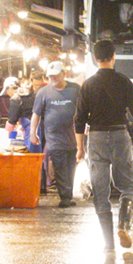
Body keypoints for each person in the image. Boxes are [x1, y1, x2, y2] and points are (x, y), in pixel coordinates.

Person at [74, 39, 133, 251]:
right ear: (114, 57)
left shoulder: (88, 85)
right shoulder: (123, 81)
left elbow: (79, 119)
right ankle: (123, 225)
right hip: (120, 135)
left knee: (100, 191)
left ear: (95, 59)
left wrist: (80, 149)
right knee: (128, 185)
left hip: (95, 137)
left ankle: (108, 244)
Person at [30, 62, 81, 208]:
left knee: (71, 166)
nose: (53, 78)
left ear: (63, 74)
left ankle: (68, 194)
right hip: (54, 138)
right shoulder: (43, 92)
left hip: (73, 137)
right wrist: (33, 133)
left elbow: (84, 109)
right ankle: (65, 197)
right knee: (59, 165)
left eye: (56, 75)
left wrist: (87, 125)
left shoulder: (75, 89)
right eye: (50, 76)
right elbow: (36, 114)